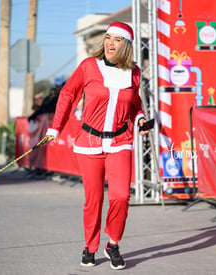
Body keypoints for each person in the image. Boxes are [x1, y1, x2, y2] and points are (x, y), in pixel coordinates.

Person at [45, 22, 151, 270]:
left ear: (126, 45)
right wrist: (55, 127)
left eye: (117, 40)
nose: (110, 43)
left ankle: (112, 244)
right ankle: (90, 247)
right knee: (93, 200)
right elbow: (68, 94)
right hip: (89, 143)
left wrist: (140, 118)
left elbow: (134, 104)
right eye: (107, 38)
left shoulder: (134, 73)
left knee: (122, 196)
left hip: (119, 141)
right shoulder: (89, 67)